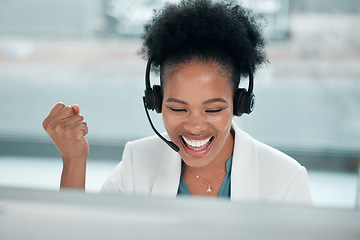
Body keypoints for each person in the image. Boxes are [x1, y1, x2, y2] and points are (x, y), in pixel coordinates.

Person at [43, 0, 312, 205]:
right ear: (156, 101)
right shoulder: (138, 162)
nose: (195, 126)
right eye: (178, 108)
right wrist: (73, 160)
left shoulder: (286, 179)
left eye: (214, 109)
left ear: (239, 103)